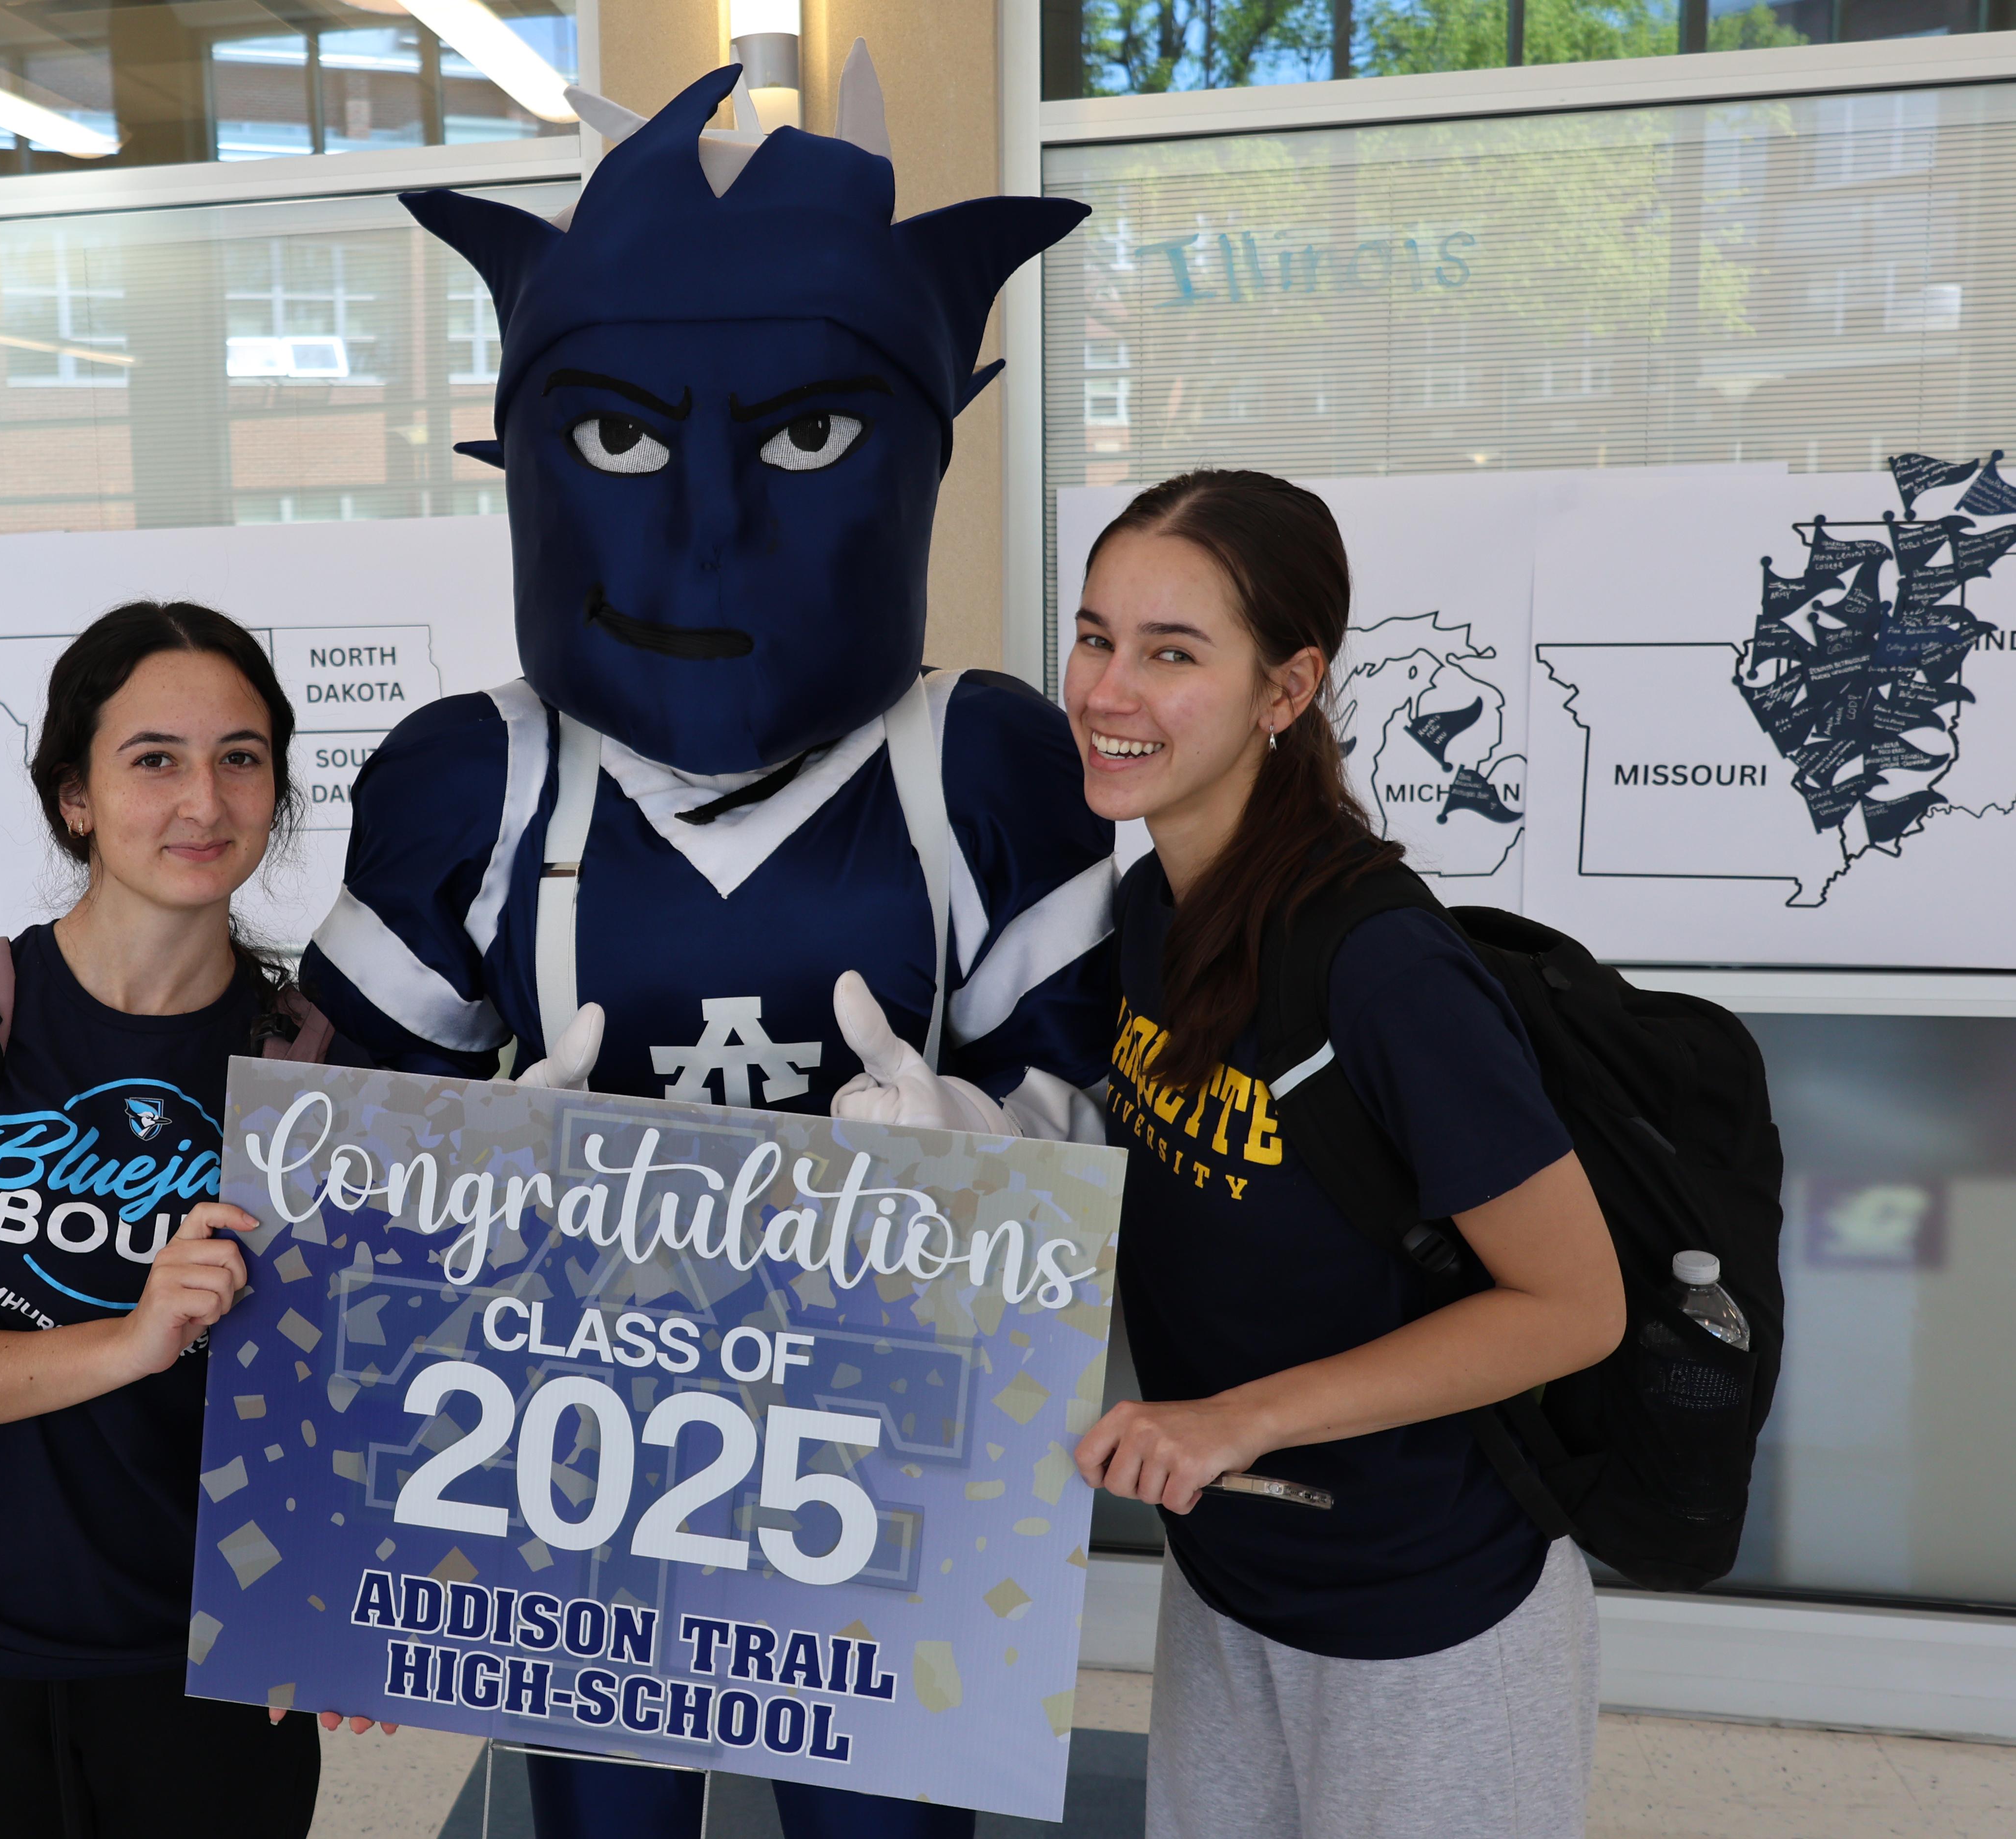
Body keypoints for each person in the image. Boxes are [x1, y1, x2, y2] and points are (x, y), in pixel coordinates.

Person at [297, 50, 1113, 1839]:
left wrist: (996, 1148)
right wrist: (460, 1173)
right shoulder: (473, 779)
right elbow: (329, 1187)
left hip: (891, 1446)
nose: (713, 523)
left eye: (810, 437)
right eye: (618, 439)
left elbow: (1103, 1122)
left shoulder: (979, 766)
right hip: (573, 1452)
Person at [1065, 472, 1627, 1839]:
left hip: (1430, 1615)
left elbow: (1575, 1306)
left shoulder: (1380, 968)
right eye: (1094, 637)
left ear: (1288, 687)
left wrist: (1236, 1419)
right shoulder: (1151, 915)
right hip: (1231, 1576)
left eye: (1172, 653)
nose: (1107, 690)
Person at [0, 602, 368, 1838]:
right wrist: (132, 1340)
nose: (203, 801)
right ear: (75, 799)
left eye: (241, 757)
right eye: (154, 759)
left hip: (205, 1673)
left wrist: (349, 1605)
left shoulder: (317, 1072)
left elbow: (349, 1389)